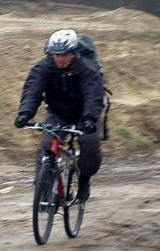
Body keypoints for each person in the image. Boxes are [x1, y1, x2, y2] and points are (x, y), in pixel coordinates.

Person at [14, 29, 104, 202]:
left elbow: (93, 94)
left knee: (89, 142)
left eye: (65, 54)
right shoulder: (43, 67)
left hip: (84, 114)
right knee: (47, 144)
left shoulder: (86, 68)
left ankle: (84, 178)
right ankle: (45, 192)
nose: (60, 59)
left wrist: (89, 118)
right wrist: (25, 113)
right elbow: (33, 90)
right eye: (56, 55)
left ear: (73, 53)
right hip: (58, 113)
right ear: (51, 54)